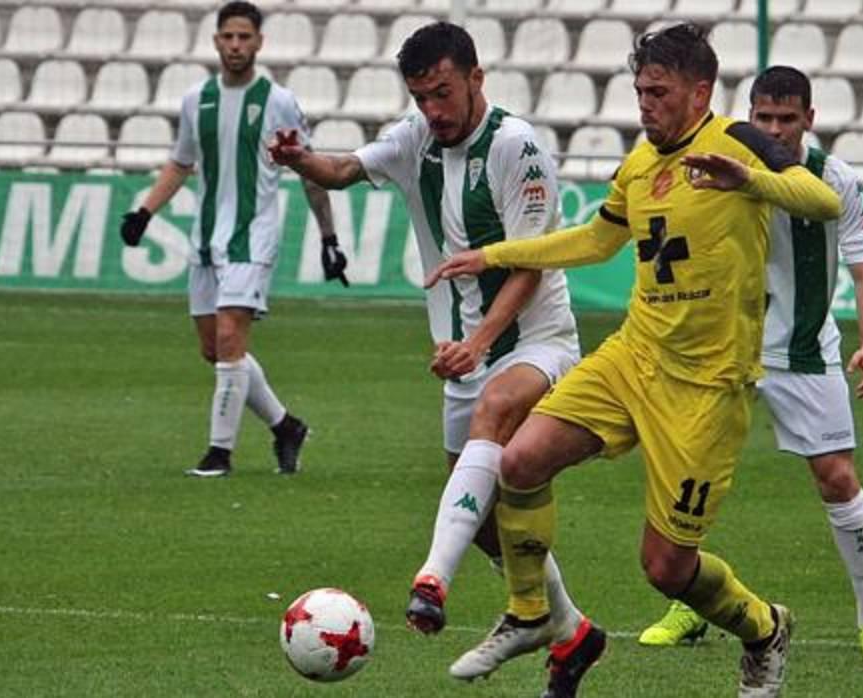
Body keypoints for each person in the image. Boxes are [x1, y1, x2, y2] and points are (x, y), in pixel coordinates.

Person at [428, 24, 842, 698]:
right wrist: (495, 255)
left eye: (659, 92)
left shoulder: (738, 141)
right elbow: (596, 241)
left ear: (699, 91)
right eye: (639, 91)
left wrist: (754, 181)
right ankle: (531, 613)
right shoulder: (641, 163)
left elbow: (826, 201)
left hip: (707, 387)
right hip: (634, 356)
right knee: (519, 461)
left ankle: (764, 629)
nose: (644, 105)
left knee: (665, 568)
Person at [267, 21, 590, 690]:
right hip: (465, 353)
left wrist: (478, 343)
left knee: (497, 416)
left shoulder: (517, 147)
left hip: (537, 342)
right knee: (480, 519)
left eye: (443, 93)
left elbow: (529, 265)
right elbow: (347, 168)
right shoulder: (417, 137)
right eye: (420, 98)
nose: (433, 112)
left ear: (476, 78)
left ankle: (431, 582)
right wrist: (301, 159)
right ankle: (569, 631)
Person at [636, 66, 863, 659]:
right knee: (694, 482)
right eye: (764, 118)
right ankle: (689, 605)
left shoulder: (835, 180)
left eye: (787, 119)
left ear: (810, 118)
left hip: (805, 349)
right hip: (726, 348)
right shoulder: (716, 162)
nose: (775, 130)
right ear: (748, 115)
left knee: (837, 477)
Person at [119, 0, 345, 478]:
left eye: (245, 37)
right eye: (229, 37)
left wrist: (328, 237)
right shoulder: (195, 99)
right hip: (204, 238)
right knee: (214, 349)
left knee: (229, 337)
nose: (236, 45)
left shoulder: (278, 101)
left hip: (253, 235)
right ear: (216, 40)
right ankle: (286, 426)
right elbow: (182, 162)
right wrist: (145, 211)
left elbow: (307, 170)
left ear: (259, 42)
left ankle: (218, 454)